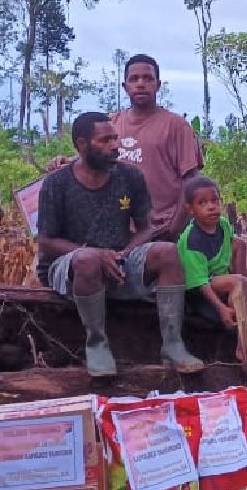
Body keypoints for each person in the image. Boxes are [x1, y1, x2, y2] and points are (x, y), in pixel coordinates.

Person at [36, 111, 204, 378]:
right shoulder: (57, 183)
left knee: (167, 252)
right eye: (105, 140)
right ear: (81, 145)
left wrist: (126, 252)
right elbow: (44, 240)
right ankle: (97, 344)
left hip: (119, 259)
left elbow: (146, 227)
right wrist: (90, 252)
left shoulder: (130, 177)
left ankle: (173, 344)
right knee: (87, 259)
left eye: (116, 138)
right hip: (69, 266)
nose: (115, 145)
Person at [48, 54, 204, 240]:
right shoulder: (111, 123)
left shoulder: (177, 126)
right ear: (125, 86)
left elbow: (191, 180)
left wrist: (174, 229)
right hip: (116, 228)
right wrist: (66, 162)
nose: (140, 84)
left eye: (148, 78)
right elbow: (93, 161)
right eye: (134, 79)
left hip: (160, 227)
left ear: (158, 85)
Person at [176, 176, 247, 366]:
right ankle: (244, 347)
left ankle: (244, 298)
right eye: (202, 203)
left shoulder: (223, 225)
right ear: (190, 209)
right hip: (198, 289)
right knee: (238, 283)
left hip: (219, 277)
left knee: (240, 243)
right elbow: (199, 281)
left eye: (214, 200)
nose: (211, 207)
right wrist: (221, 308)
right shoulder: (192, 240)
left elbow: (232, 247)